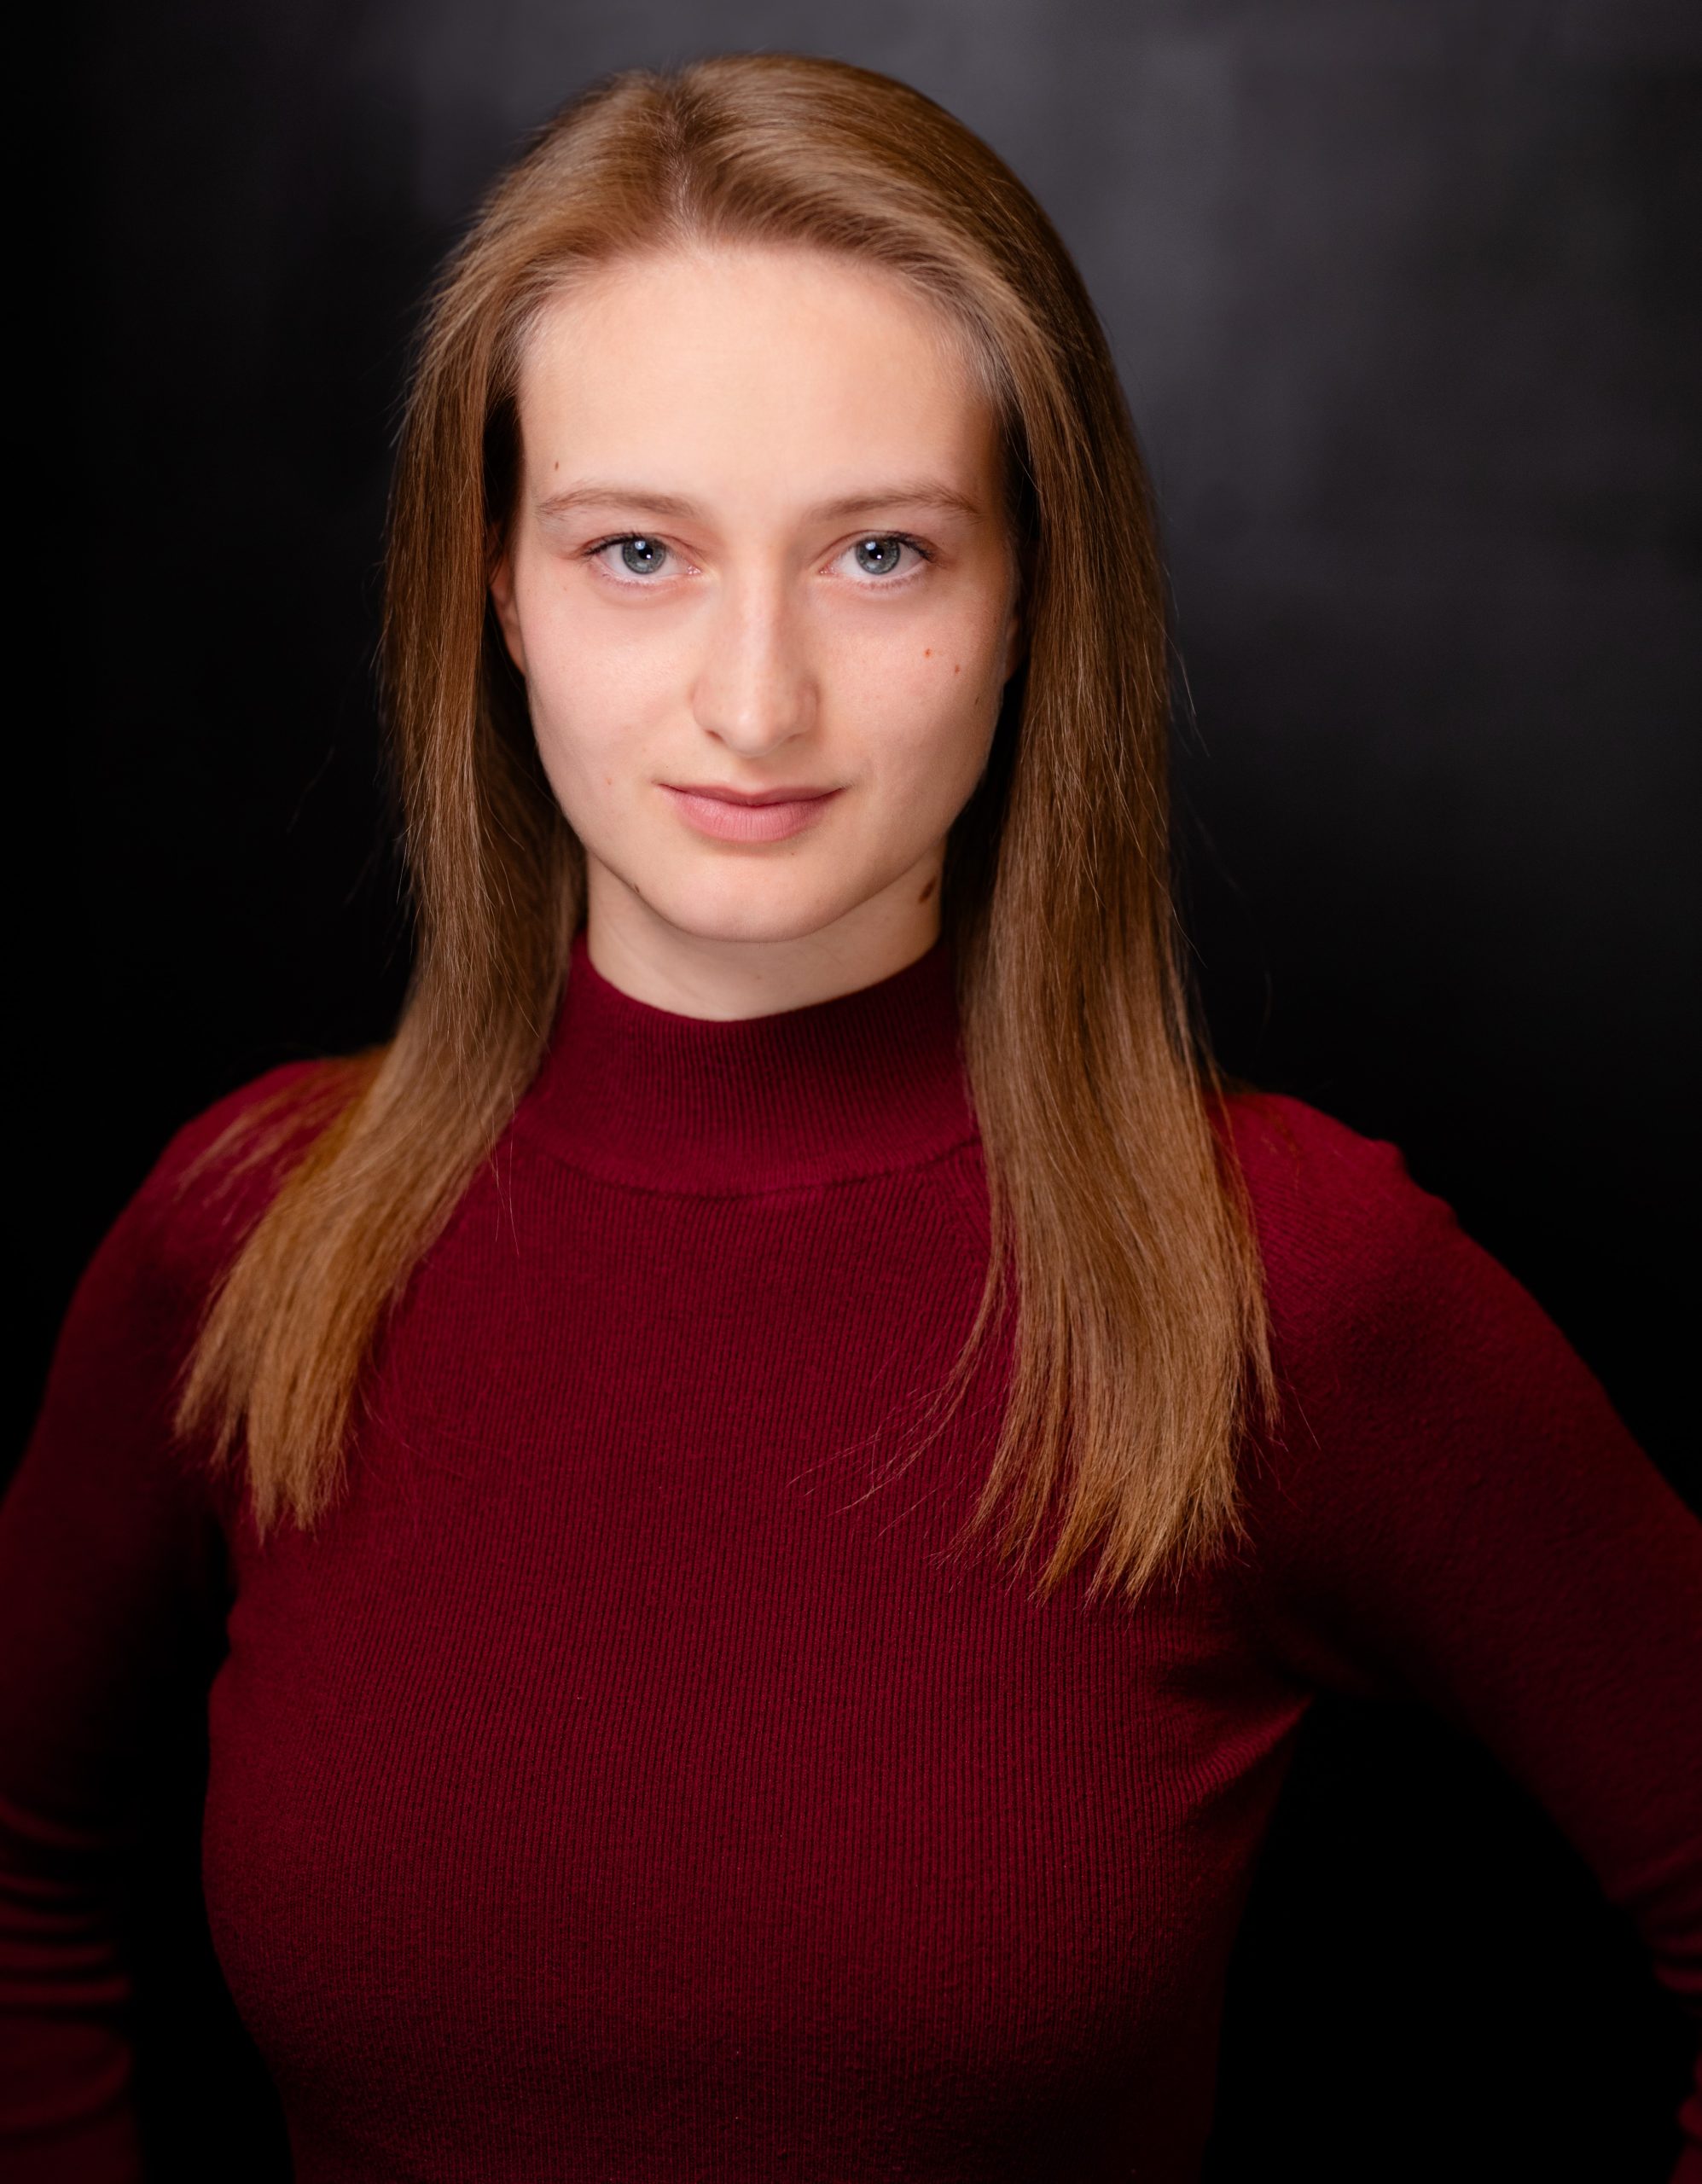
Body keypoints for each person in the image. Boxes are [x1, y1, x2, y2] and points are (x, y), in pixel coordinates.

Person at [3, 49, 1698, 2184]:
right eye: (637, 549)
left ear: (1027, 600)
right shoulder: (251, 1234)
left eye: (880, 552)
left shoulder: (1279, 1279)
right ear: (495, 587)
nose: (753, 697)